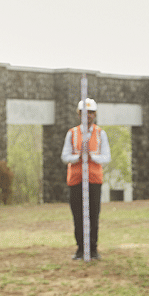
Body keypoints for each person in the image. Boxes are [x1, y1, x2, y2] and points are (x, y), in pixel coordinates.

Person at [61, 98, 111, 260]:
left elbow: (106, 157)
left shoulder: (100, 133)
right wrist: (78, 157)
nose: (87, 116)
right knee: (78, 216)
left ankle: (93, 248)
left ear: (94, 115)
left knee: (93, 215)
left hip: (94, 180)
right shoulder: (72, 133)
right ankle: (81, 249)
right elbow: (65, 156)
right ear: (78, 114)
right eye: (84, 113)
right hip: (76, 180)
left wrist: (92, 157)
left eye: (90, 113)